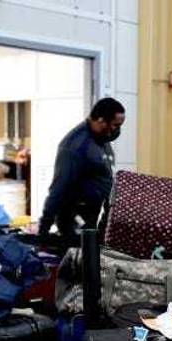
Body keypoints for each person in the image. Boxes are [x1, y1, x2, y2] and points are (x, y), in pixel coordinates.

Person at [37, 97, 125, 238]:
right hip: (77, 221)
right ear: (101, 121)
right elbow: (58, 189)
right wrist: (43, 230)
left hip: (97, 217)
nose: (117, 131)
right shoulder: (75, 146)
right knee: (85, 257)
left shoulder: (101, 138)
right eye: (115, 125)